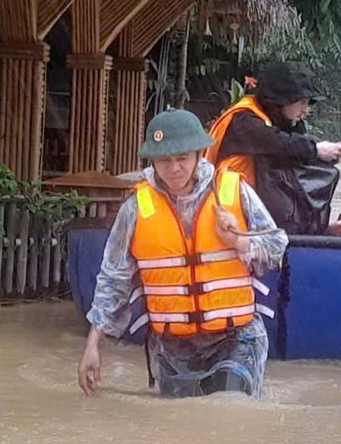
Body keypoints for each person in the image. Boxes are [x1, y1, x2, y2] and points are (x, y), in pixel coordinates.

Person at [78, 109, 288, 399]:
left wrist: (239, 241)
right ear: (152, 160)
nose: (174, 168)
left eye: (182, 158)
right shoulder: (136, 208)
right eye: (164, 160)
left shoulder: (234, 191)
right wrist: (93, 345)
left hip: (235, 339)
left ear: (200, 154)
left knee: (229, 407)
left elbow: (277, 247)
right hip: (171, 347)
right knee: (175, 431)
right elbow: (114, 278)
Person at [205, 62, 341, 234]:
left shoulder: (276, 119)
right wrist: (317, 150)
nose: (305, 110)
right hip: (230, 220)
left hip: (253, 221)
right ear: (282, 99)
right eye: (302, 102)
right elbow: (278, 142)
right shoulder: (244, 120)